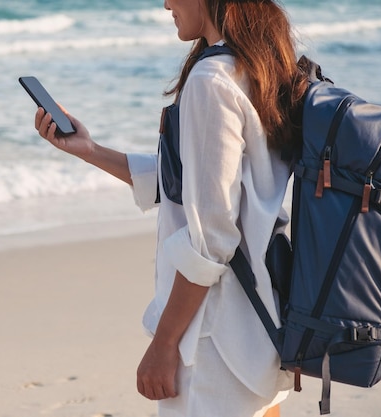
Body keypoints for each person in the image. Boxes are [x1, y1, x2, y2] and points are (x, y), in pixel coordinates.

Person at [33, 0, 308, 416]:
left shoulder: (211, 80)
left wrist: (163, 345)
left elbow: (212, 241)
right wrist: (90, 151)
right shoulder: (259, 66)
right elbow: (186, 184)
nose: (165, 4)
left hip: (215, 345)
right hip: (259, 329)